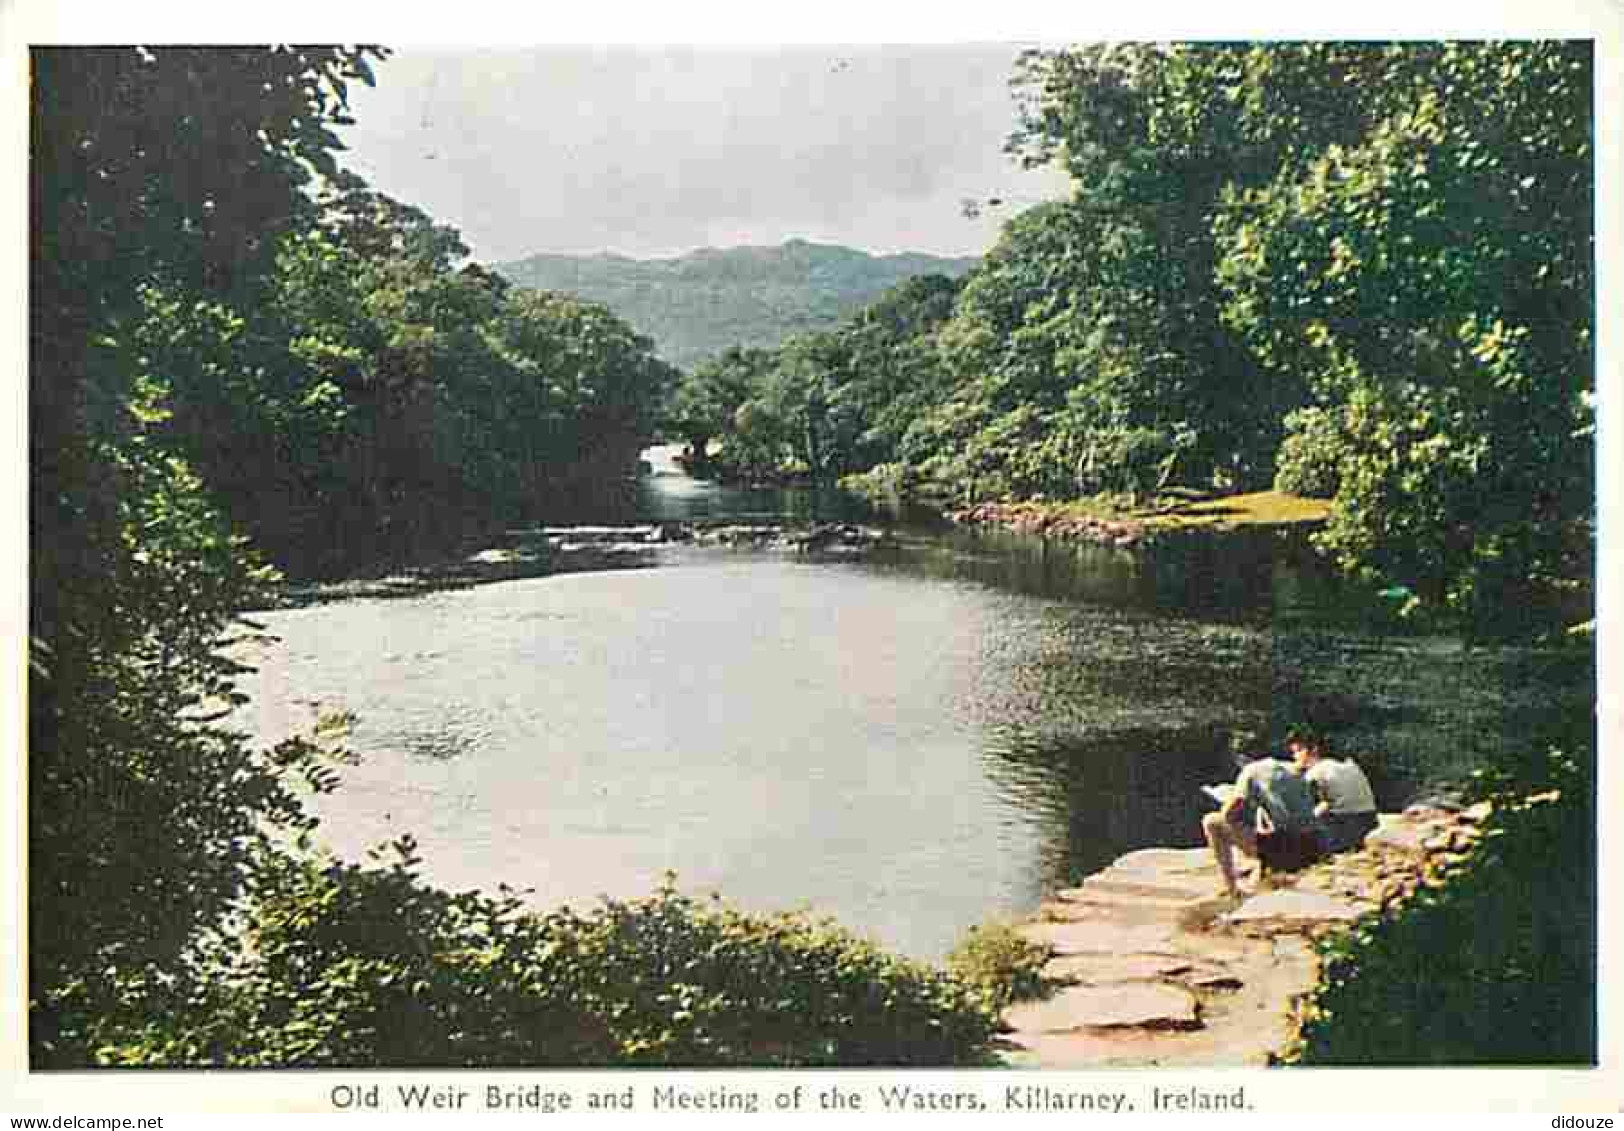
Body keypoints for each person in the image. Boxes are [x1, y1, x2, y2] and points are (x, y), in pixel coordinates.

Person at [1202, 751, 1320, 901]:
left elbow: (1228, 814)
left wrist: (1228, 799)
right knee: (1268, 826)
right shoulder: (1291, 769)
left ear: (1242, 759)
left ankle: (1231, 888)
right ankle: (1262, 872)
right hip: (1312, 846)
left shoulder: (1251, 771)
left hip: (1287, 850)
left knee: (1212, 822)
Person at [1288, 725, 1379, 854]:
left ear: (1314, 749)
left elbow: (1303, 809)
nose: (1295, 757)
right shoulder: (1348, 764)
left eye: (1298, 751)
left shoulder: (1316, 772)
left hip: (1345, 827)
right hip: (1370, 821)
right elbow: (1331, 801)